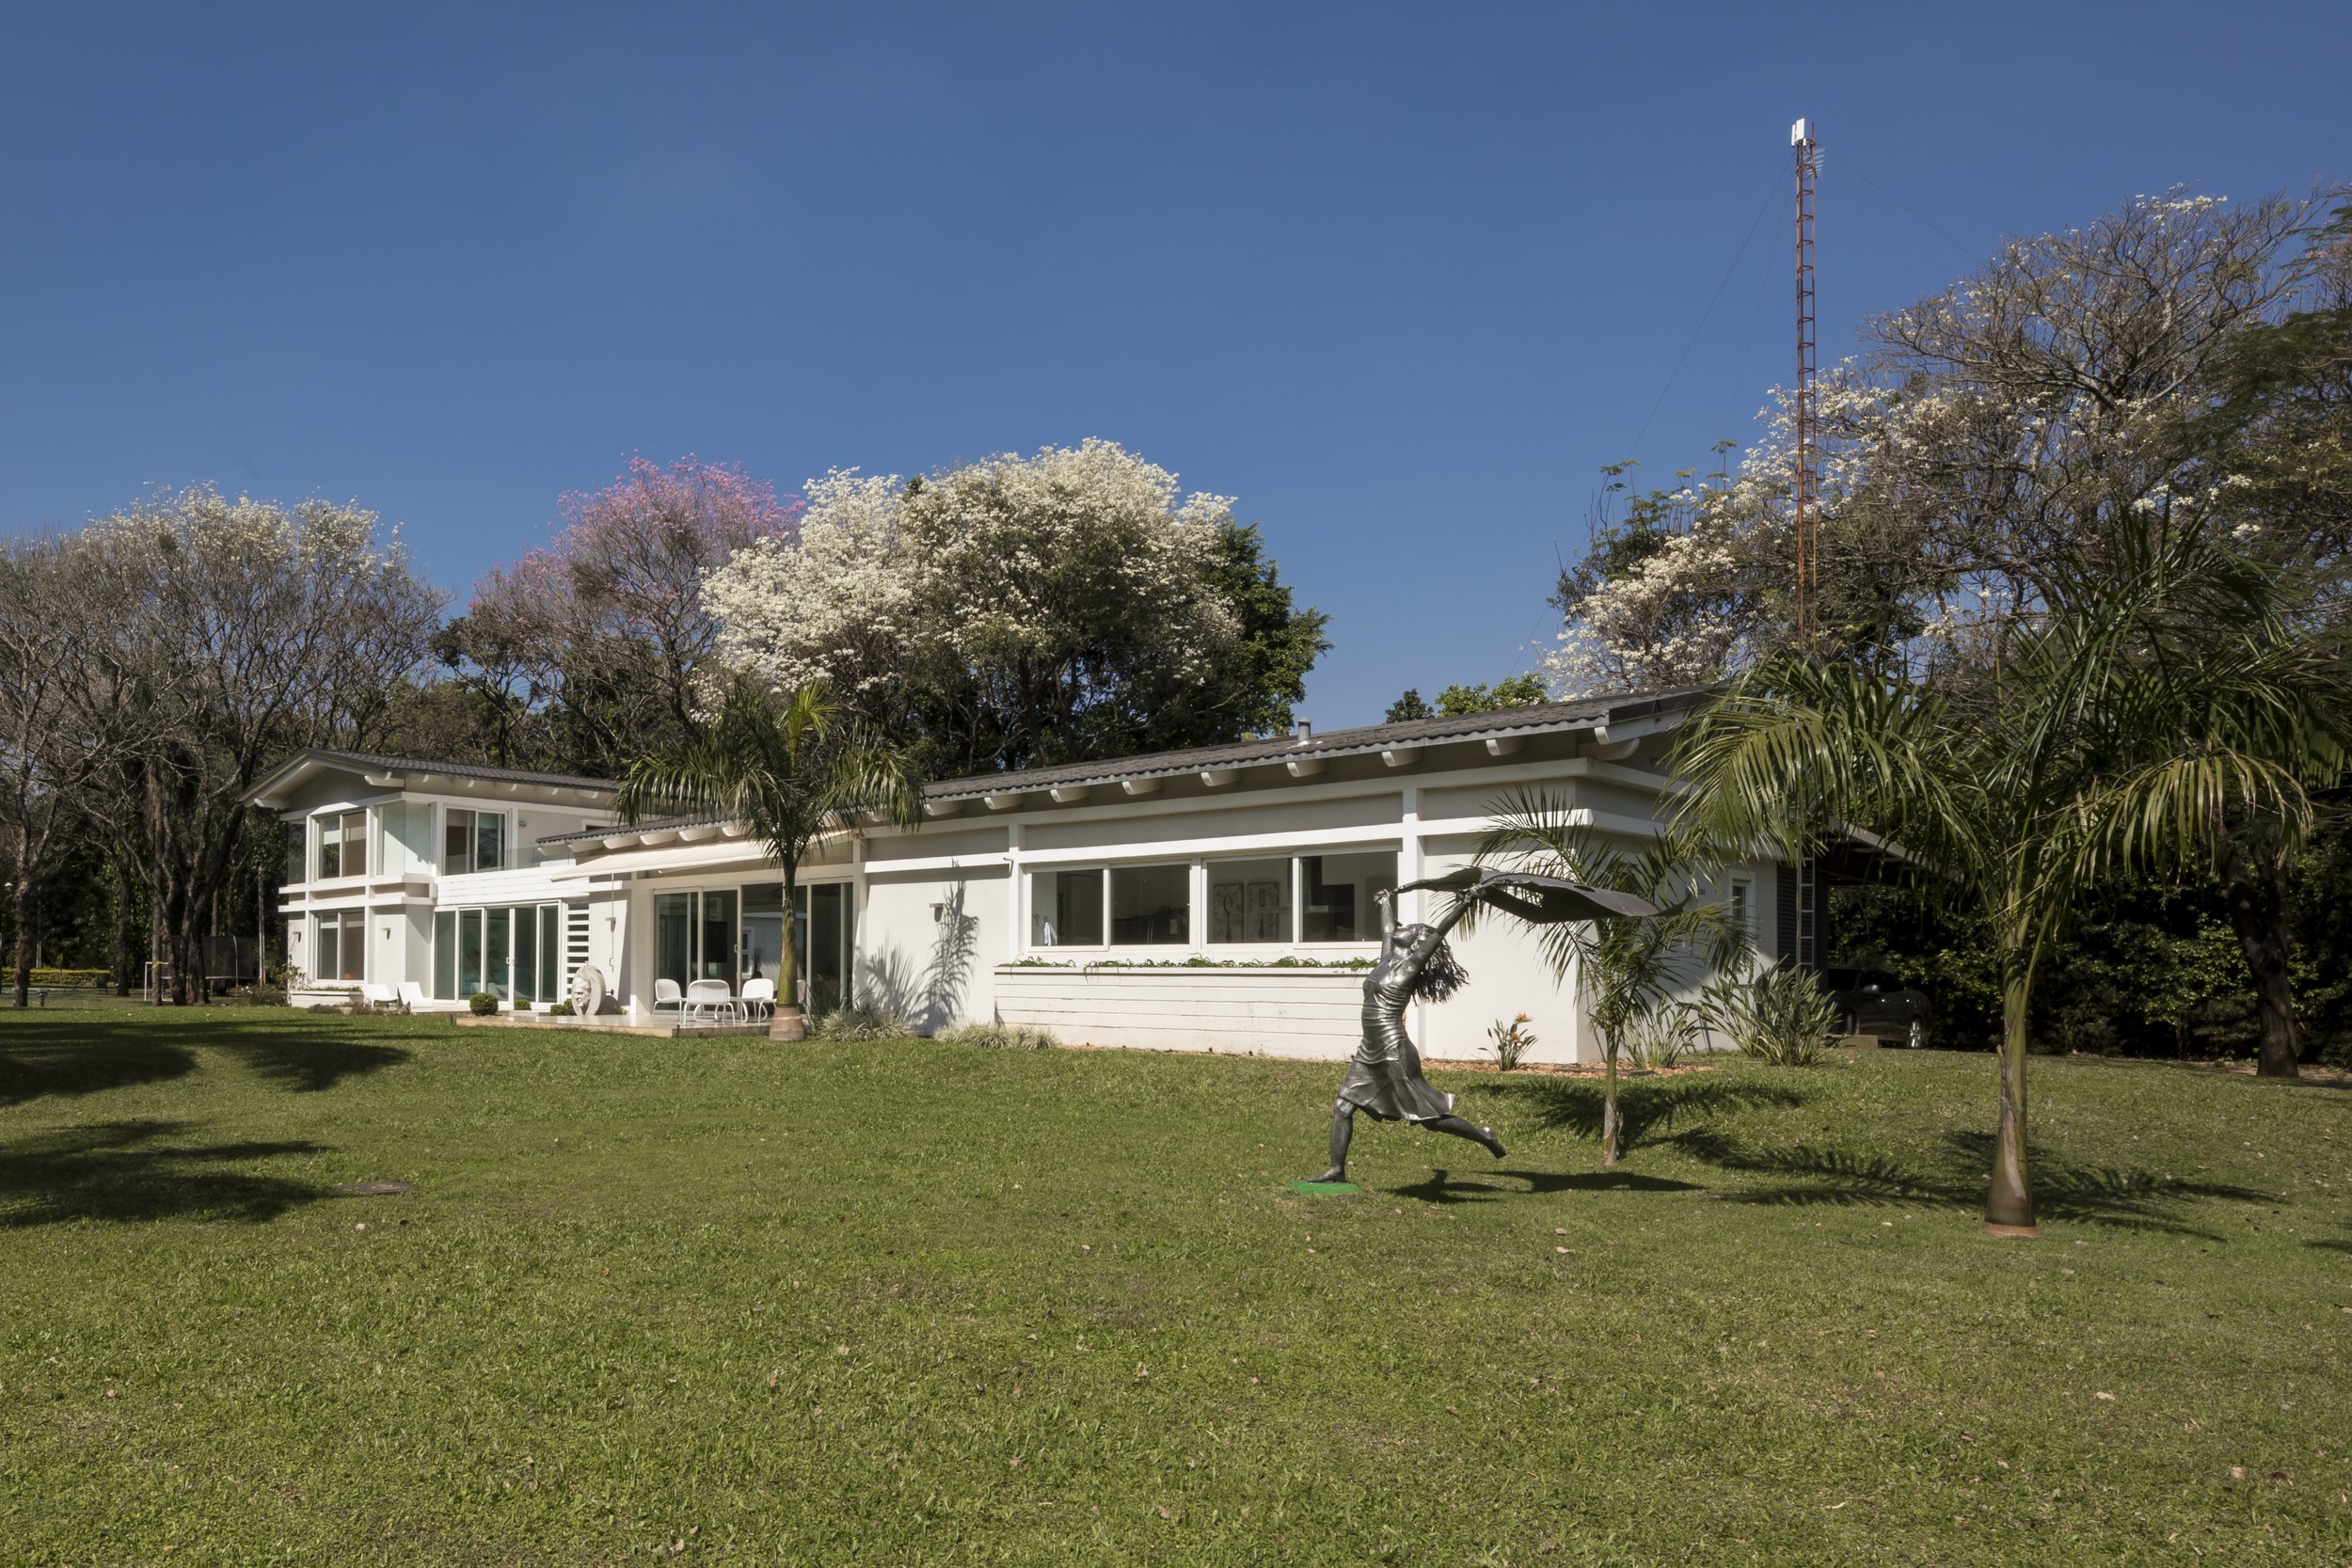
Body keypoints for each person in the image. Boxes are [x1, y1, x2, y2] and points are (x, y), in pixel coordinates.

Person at [1306, 881, 1505, 1183]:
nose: (1403, 927)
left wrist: (1464, 903)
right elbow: (1387, 929)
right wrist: (1385, 901)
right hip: (1369, 1047)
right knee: (1343, 1105)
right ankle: (1337, 1170)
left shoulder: (1410, 966)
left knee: (1428, 1119)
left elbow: (1438, 933)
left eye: (1411, 928)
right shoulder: (1387, 958)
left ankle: (1484, 1136)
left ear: (1416, 942)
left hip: (1393, 1048)